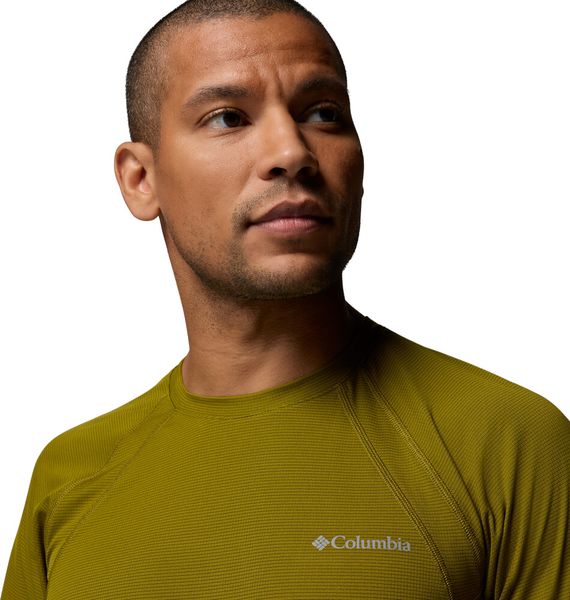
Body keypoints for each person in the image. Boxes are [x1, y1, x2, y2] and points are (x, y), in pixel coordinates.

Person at [2, 0, 568, 598]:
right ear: (141, 179)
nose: (292, 152)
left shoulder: (508, 444)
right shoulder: (70, 478)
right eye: (227, 118)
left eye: (324, 113)